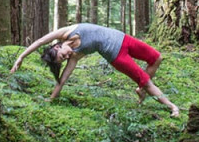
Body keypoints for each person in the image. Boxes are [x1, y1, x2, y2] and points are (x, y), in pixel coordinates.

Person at [10, 23, 180, 117]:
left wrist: (21, 57)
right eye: (64, 60)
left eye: (62, 55)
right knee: (145, 80)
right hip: (117, 56)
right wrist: (51, 98)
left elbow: (39, 41)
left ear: (57, 47)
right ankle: (171, 106)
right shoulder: (75, 56)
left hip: (123, 38)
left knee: (157, 58)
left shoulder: (66, 32)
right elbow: (62, 81)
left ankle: (141, 90)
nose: (66, 57)